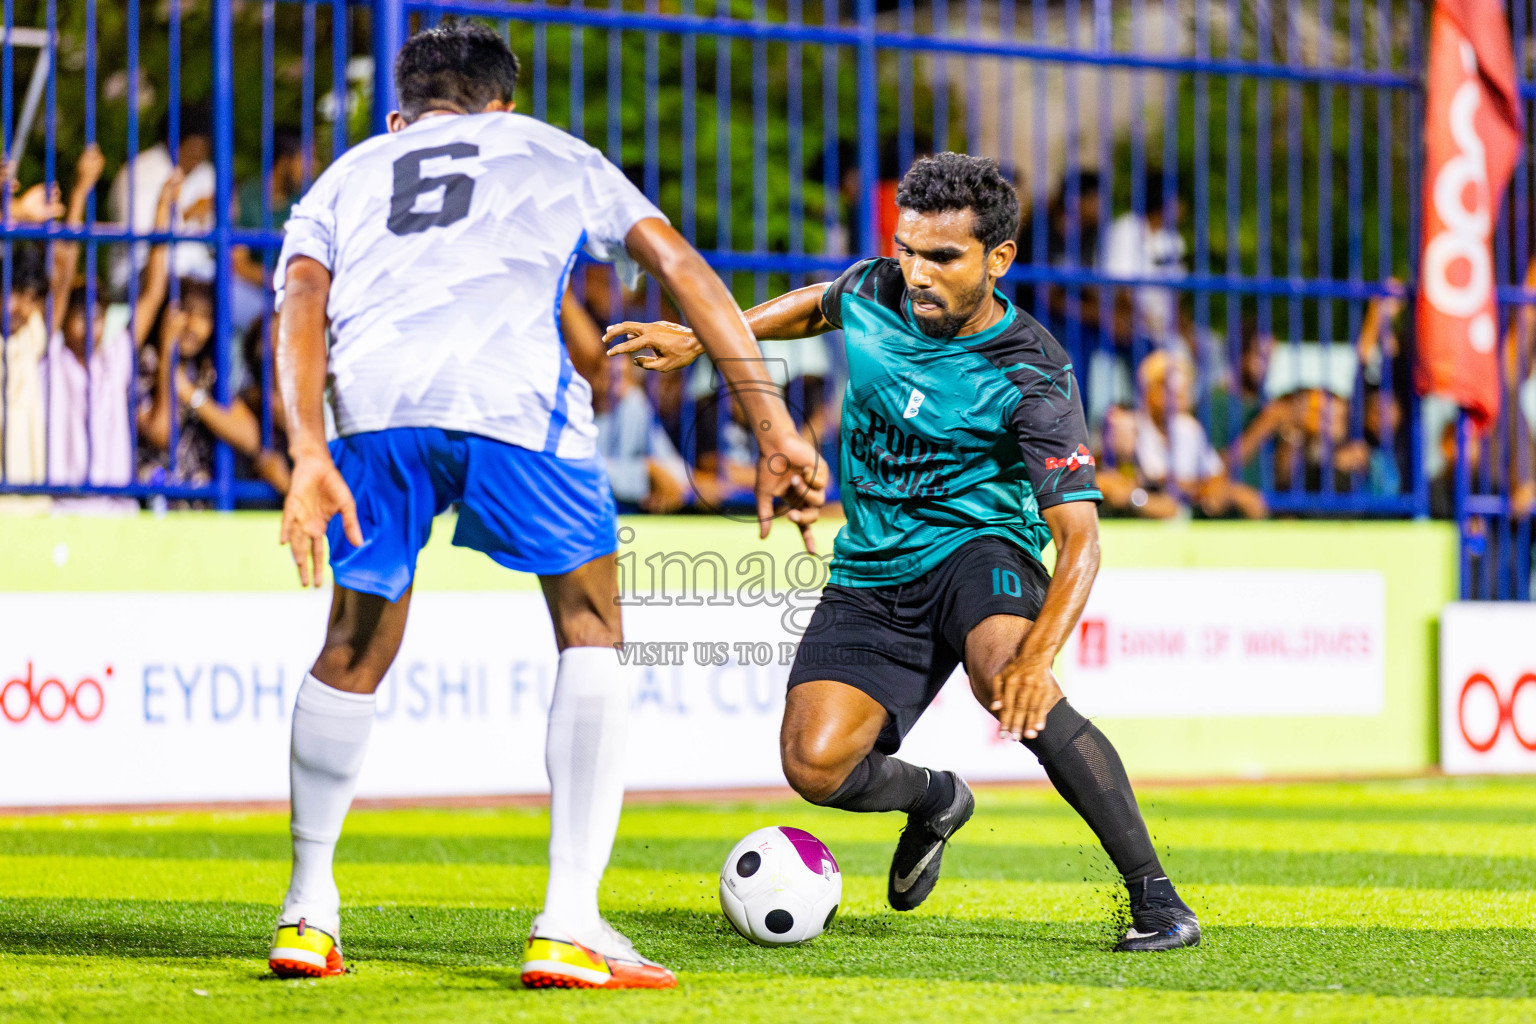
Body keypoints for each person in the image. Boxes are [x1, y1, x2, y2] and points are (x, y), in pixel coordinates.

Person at [266, 22, 821, 989]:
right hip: (512, 402)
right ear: (503, 106)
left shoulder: (352, 172)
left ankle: (307, 910)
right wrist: (770, 422)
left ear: (402, 112)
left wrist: (308, 447)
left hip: (374, 411)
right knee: (591, 625)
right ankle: (568, 921)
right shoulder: (557, 152)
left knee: (353, 642)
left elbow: (301, 303)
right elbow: (682, 269)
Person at [608, 152, 1200, 952]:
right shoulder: (879, 287)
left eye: (942, 257)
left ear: (998, 260)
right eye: (906, 249)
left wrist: (1037, 659)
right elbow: (817, 306)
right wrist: (708, 337)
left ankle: (1158, 901)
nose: (916, 273)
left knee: (1006, 678)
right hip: (872, 566)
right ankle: (934, 800)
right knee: (813, 766)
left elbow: (1082, 541)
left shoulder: (1033, 371)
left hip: (978, 546)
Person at [46, 159, 181, 514]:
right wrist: (78, 195)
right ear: (63, 321)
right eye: (81, 316)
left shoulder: (114, 357)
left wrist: (162, 213)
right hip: (63, 510)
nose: (92, 324)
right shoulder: (51, 358)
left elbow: (153, 292)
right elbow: (61, 276)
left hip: (116, 510)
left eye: (98, 316)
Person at [108, 103, 216, 291]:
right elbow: (142, 237)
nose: (198, 155)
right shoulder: (140, 171)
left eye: (204, 148)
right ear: (172, 141)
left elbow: (217, 238)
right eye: (193, 147)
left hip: (197, 272)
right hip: (140, 273)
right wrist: (187, 215)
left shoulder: (206, 173)